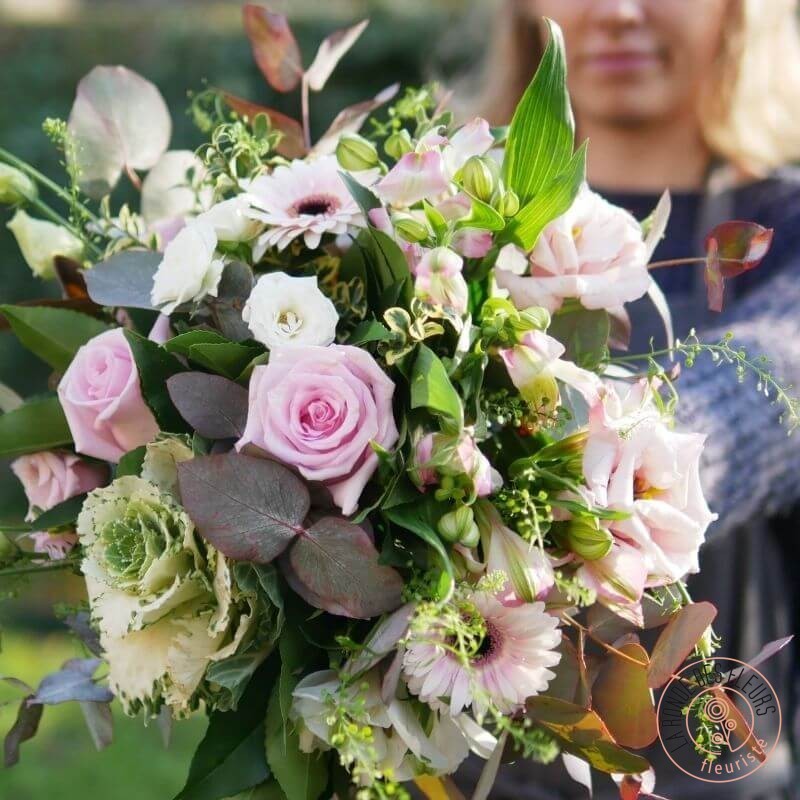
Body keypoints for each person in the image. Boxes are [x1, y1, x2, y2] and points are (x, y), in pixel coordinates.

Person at [457, 1, 800, 797]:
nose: (618, 11)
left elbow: (784, 364)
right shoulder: (446, 220)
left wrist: (645, 458)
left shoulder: (784, 222)